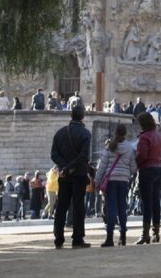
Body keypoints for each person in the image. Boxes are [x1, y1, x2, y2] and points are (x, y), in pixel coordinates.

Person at [50, 100, 91, 249]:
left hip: (64, 174)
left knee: (62, 205)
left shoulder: (60, 133)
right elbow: (84, 157)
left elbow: (53, 155)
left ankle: (58, 237)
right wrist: (70, 167)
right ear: (83, 117)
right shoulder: (85, 134)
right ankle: (77, 238)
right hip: (78, 173)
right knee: (78, 205)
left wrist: (64, 167)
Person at [94, 121, 137, 247]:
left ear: (115, 133)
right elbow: (134, 166)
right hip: (123, 181)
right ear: (125, 134)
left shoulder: (110, 147)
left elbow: (102, 166)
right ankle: (123, 236)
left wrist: (97, 181)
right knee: (122, 208)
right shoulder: (129, 148)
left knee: (111, 209)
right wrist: (127, 173)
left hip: (111, 180)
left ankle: (109, 238)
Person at [135, 110, 161, 245]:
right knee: (155, 201)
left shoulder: (144, 137)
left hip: (147, 169)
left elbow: (142, 155)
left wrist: (135, 163)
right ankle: (156, 232)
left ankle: (145, 233)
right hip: (158, 168)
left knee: (147, 202)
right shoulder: (158, 136)